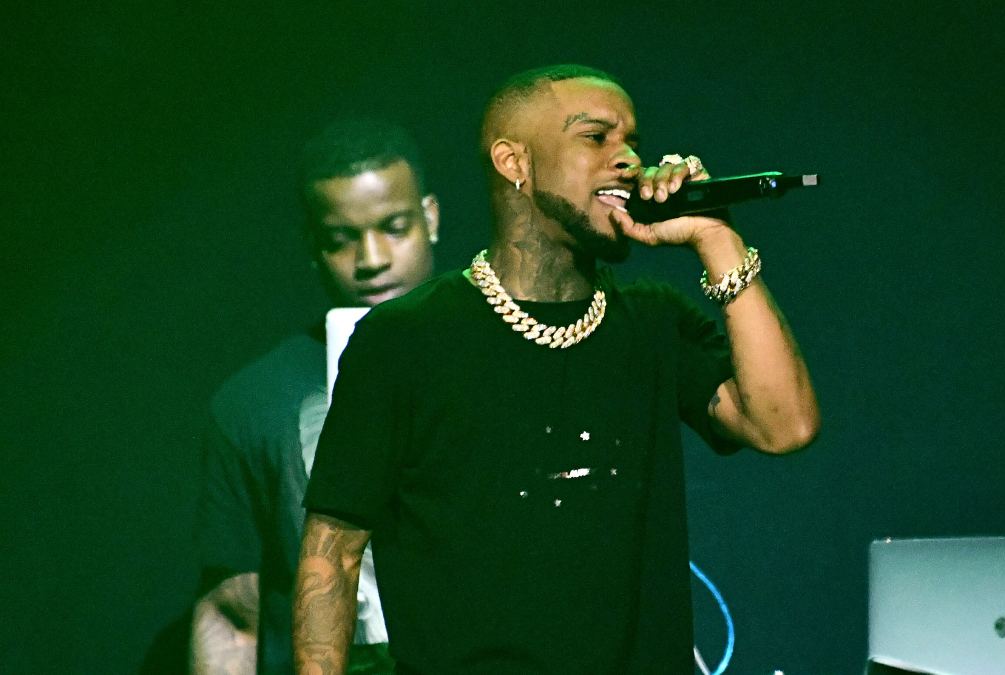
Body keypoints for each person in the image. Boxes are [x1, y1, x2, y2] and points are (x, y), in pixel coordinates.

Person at [294, 65, 820, 675]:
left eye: (633, 142)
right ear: (514, 162)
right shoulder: (404, 338)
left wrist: (716, 239)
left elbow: (784, 426)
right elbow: (332, 554)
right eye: (596, 137)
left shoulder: (653, 320)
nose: (628, 160)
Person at [192, 119, 440, 675]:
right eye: (341, 239)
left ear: (431, 219)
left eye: (394, 227)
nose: (371, 259)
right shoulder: (255, 402)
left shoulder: (510, 353)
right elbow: (234, 613)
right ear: (312, 245)